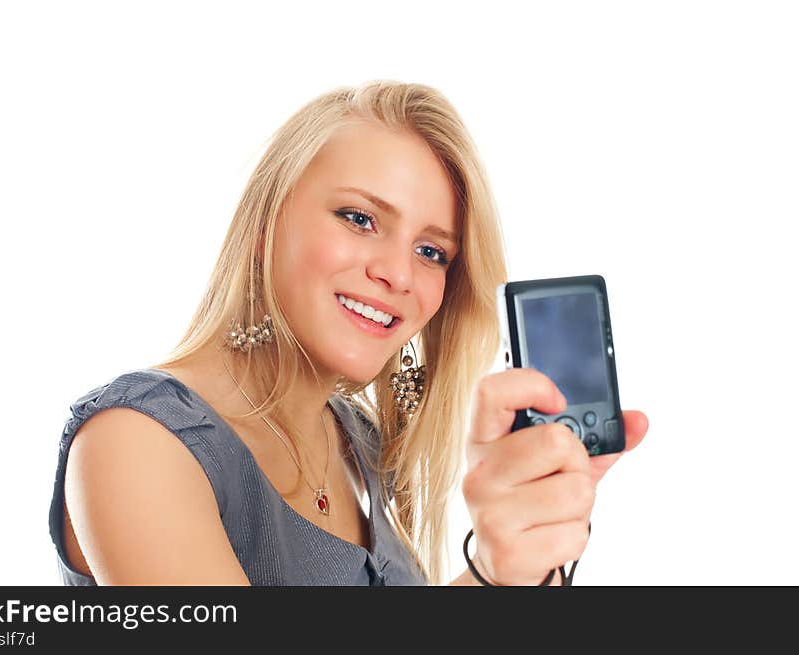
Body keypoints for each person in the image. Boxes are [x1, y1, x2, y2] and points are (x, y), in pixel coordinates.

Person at [47, 79, 648, 586]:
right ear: (267, 223)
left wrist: (506, 567)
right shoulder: (137, 442)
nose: (397, 274)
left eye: (432, 252)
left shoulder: (362, 446)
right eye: (359, 219)